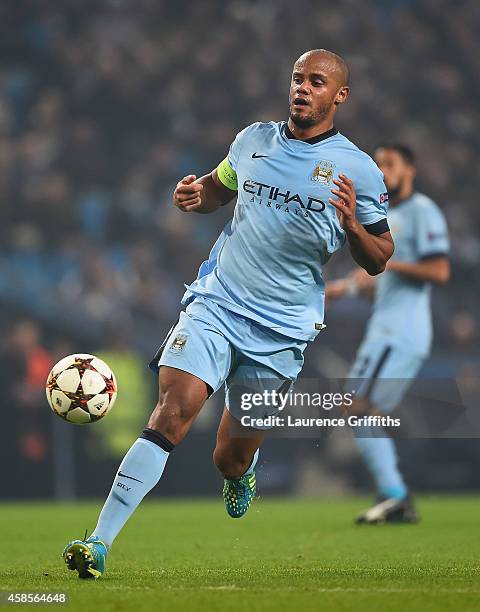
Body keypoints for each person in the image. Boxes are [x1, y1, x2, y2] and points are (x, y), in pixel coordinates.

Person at [63, 49, 393, 578]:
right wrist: (194, 194)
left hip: (283, 329)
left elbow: (379, 258)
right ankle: (97, 543)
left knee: (229, 458)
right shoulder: (253, 141)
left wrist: (353, 225)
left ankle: (243, 472)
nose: (302, 89)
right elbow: (219, 190)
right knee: (175, 408)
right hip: (218, 302)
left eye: (316, 82)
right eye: (296, 79)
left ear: (340, 96)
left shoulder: (358, 168)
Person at [326, 144, 450, 524]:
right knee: (359, 410)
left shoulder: (422, 211)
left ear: (409, 170)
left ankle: (395, 494)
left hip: (400, 332)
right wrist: (340, 289)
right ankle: (394, 494)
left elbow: (440, 271)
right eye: (377, 163)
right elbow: (373, 281)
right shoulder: (386, 215)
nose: (382, 169)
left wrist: (391, 264)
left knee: (361, 408)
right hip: (385, 329)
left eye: (390, 163)